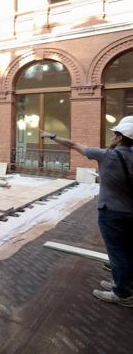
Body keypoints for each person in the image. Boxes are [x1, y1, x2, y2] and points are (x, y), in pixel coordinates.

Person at [40, 120, 133, 307]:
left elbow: (74, 145)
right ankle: (122, 284)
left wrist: (50, 136)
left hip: (112, 212)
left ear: (121, 137)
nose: (112, 136)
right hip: (130, 212)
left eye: (115, 134)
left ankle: (122, 294)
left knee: (117, 253)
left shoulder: (107, 156)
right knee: (127, 251)